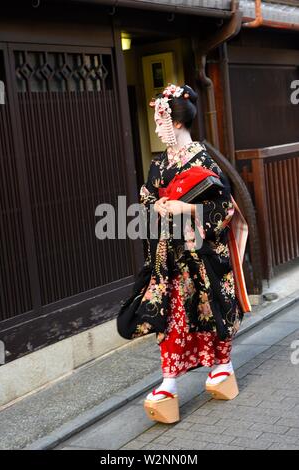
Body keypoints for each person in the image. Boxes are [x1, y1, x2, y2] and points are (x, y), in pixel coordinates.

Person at [135, 84, 250, 423]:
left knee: (210, 307)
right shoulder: (159, 164)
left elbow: (222, 208)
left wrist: (184, 208)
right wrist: (157, 204)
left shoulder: (204, 160)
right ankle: (170, 381)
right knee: (171, 313)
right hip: (169, 253)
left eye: (160, 121)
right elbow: (145, 195)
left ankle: (223, 365)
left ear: (177, 123)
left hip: (202, 255)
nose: (156, 128)